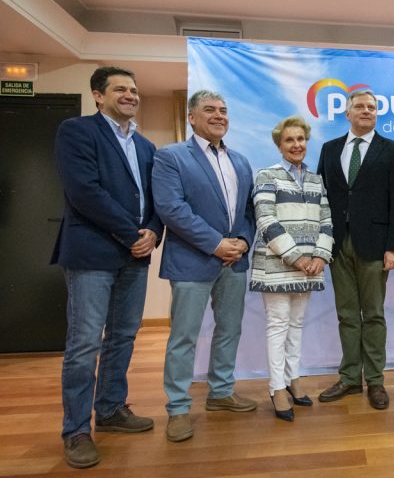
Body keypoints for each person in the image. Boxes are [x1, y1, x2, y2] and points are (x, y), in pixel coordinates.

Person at [51, 66, 163, 468]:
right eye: (120, 89)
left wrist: (152, 230)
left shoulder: (147, 147)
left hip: (135, 256)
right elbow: (84, 192)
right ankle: (77, 429)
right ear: (99, 95)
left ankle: (112, 409)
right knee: (84, 344)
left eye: (134, 89)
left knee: (123, 336)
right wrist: (131, 233)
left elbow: (156, 199)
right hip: (92, 253)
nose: (130, 95)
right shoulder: (77, 131)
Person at [152, 90, 256, 442]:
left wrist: (242, 240)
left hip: (235, 262)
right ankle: (178, 409)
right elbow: (172, 209)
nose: (218, 115)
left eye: (223, 110)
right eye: (209, 110)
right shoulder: (170, 157)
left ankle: (222, 392)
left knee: (230, 329)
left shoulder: (240, 161)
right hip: (192, 261)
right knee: (184, 337)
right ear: (192, 117)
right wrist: (216, 244)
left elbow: (247, 211)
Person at [316, 89, 394, 410]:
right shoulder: (329, 150)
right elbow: (321, 197)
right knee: (346, 314)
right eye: (360, 106)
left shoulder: (392, 150)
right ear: (348, 112)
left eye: (372, 107)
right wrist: (319, 242)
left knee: (373, 314)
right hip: (337, 244)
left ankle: (376, 381)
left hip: (375, 246)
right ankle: (349, 378)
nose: (366, 111)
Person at [250, 116, 333, 421]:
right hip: (276, 265)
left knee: (296, 326)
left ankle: (293, 379)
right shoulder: (266, 176)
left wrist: (320, 257)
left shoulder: (316, 179)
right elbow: (266, 221)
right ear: (279, 145)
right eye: (289, 140)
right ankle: (277, 387)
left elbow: (326, 221)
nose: (297, 145)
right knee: (278, 326)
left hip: (309, 267)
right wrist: (297, 257)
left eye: (301, 139)